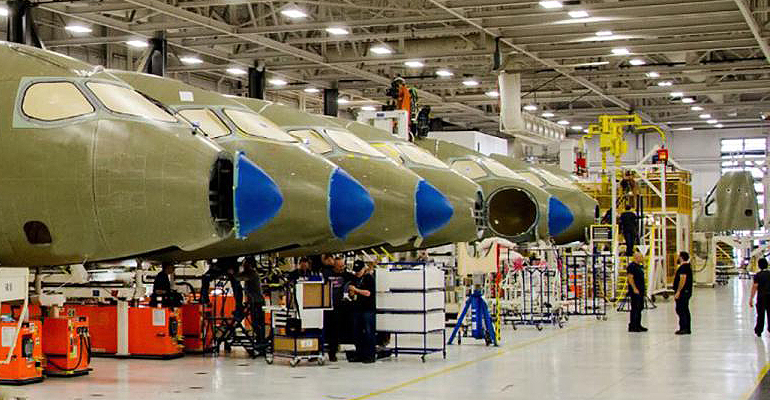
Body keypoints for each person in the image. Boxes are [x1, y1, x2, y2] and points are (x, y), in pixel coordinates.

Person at [322, 255, 354, 362]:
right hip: (326, 306)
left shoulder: (346, 275)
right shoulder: (327, 273)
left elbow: (356, 278)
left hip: (339, 307)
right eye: (339, 266)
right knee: (322, 329)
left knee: (335, 331)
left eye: (342, 266)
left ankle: (332, 352)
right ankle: (316, 351)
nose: (341, 268)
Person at [349, 260, 376, 363]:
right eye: (356, 271)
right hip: (357, 308)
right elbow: (352, 292)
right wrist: (352, 293)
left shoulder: (369, 278)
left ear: (364, 269)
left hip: (368, 309)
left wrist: (356, 290)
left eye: (359, 271)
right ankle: (359, 354)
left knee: (369, 332)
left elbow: (368, 293)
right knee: (357, 333)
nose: (357, 273)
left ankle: (370, 355)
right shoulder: (354, 278)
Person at [626, 252, 647, 333]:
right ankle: (633, 325)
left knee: (640, 307)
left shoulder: (639, 266)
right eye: (641, 257)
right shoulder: (631, 266)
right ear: (636, 257)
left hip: (640, 290)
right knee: (635, 308)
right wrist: (634, 288)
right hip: (635, 291)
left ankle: (638, 324)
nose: (642, 258)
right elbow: (630, 278)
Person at [673, 251, 693, 335]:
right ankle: (686, 328)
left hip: (683, 292)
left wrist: (678, 291)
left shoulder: (683, 267)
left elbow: (682, 279)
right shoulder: (687, 266)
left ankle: (684, 328)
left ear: (681, 257)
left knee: (681, 309)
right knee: (685, 309)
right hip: (686, 292)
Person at [750, 258, 770, 337]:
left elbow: (755, 286)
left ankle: (759, 330)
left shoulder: (757, 275)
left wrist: (751, 298)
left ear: (759, 266)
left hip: (761, 297)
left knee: (760, 314)